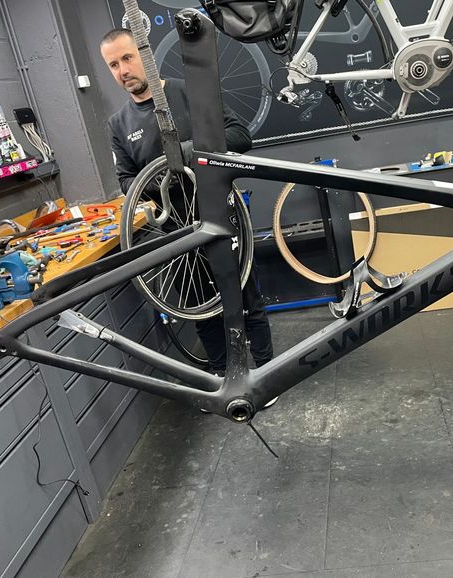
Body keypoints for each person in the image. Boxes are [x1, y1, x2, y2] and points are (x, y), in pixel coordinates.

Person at [100, 28, 276, 404]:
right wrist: (160, 177)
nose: (123, 70)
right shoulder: (118, 124)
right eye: (113, 65)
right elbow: (127, 181)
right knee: (200, 311)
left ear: (145, 54)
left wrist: (188, 153)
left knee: (246, 298)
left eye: (127, 58)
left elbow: (240, 136)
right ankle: (220, 382)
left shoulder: (188, 92)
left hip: (221, 216)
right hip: (174, 232)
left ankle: (265, 374)